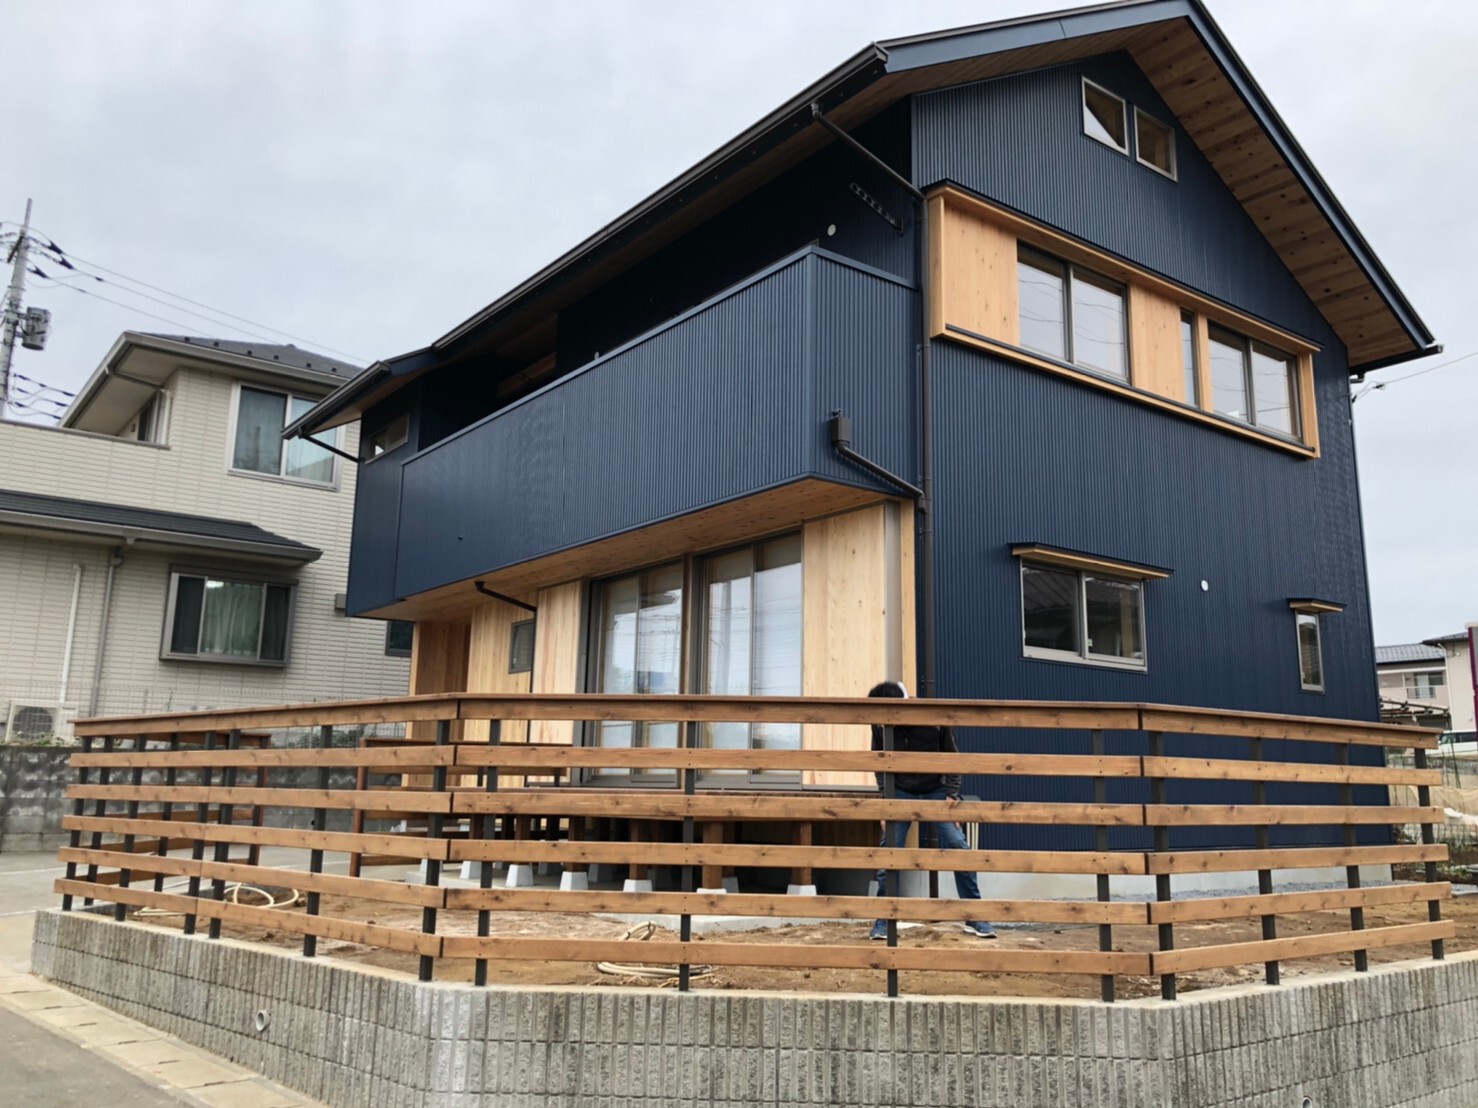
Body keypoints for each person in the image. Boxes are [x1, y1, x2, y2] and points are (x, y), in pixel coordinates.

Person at [867, 679, 996, 940]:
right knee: (890, 850)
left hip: (936, 789)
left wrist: (951, 794)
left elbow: (953, 757)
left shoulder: (933, 718)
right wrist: (885, 800)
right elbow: (878, 761)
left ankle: (975, 916)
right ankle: (884, 919)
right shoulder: (879, 724)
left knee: (957, 845)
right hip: (899, 791)